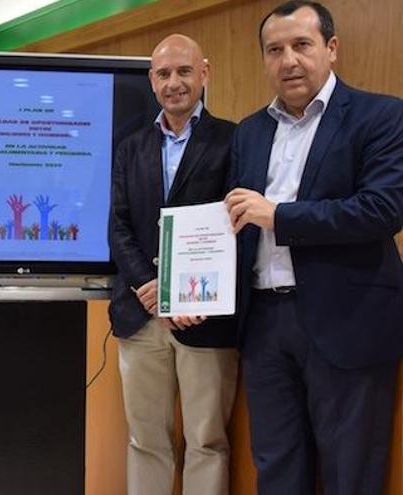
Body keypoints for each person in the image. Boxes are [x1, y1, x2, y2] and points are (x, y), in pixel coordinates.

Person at [225, 1, 403, 493]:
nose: (288, 60)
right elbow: (233, 222)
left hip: (349, 321)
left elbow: (382, 209)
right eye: (275, 50)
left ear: (331, 48)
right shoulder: (250, 131)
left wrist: (278, 216)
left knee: (352, 471)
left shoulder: (383, 116)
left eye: (301, 45)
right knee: (276, 465)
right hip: (263, 324)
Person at [109, 34, 239, 495]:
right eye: (163, 74)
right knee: (146, 439)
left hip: (205, 317)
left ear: (204, 72)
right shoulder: (131, 146)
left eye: (184, 71)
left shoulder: (233, 140)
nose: (174, 83)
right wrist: (151, 285)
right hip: (141, 316)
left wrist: (189, 295)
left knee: (207, 439)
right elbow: (119, 226)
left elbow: (236, 226)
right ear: (152, 80)